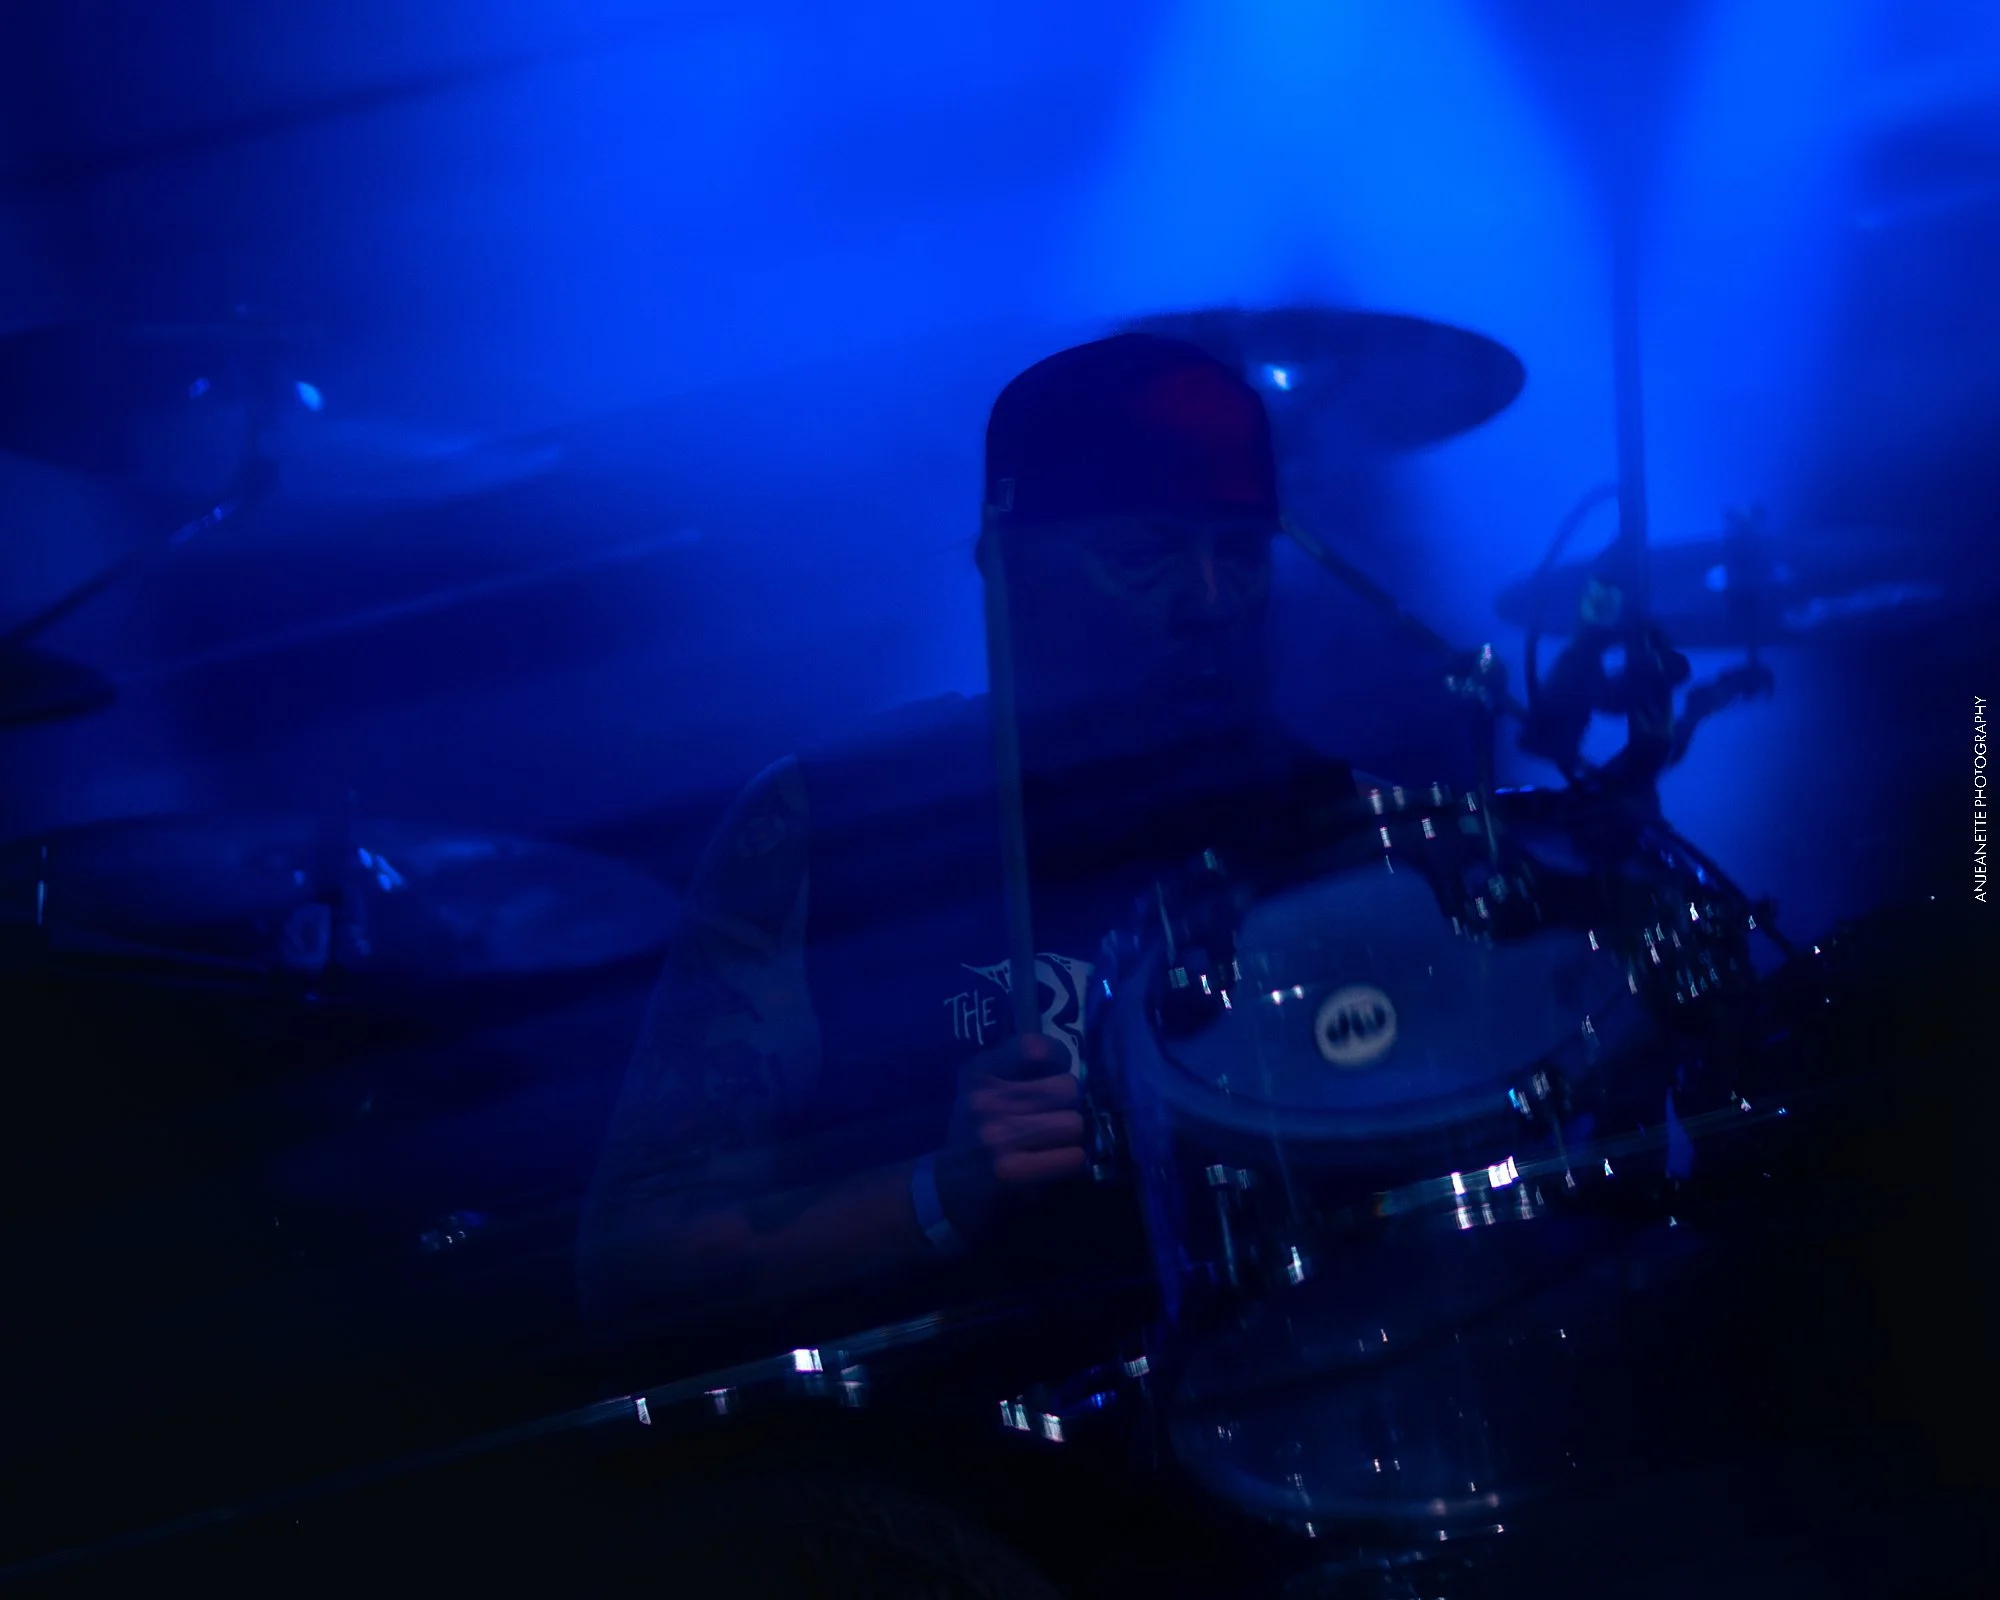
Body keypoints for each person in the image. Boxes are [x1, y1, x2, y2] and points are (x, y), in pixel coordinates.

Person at [578, 333, 1360, 1348]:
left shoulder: (1346, 825)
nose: (1209, 604)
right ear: (1004, 563)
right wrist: (933, 1195)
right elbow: (632, 1263)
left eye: (1240, 557)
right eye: (1145, 554)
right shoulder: (835, 818)